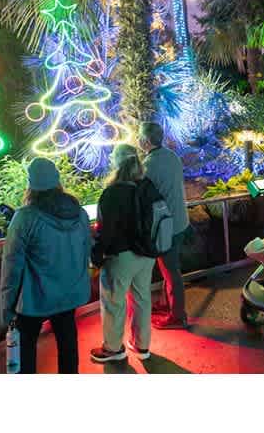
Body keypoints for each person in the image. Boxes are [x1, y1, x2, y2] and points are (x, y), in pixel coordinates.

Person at [0, 158, 92, 374]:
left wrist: (7, 307)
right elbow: (85, 251)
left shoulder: (25, 218)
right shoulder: (79, 213)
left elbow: (11, 265)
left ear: (31, 184)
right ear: (57, 180)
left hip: (35, 299)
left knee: (26, 350)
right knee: (68, 341)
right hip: (69, 294)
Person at [90, 145, 157, 363]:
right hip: (147, 253)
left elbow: (106, 229)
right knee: (142, 299)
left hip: (121, 255)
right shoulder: (147, 186)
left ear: (117, 163)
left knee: (114, 302)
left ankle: (112, 349)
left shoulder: (113, 192)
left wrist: (97, 254)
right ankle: (142, 346)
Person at [138, 122, 190, 329]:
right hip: (180, 221)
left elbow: (143, 195)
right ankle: (166, 304)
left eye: (139, 137)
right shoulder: (172, 156)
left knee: (171, 271)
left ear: (146, 141)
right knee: (169, 267)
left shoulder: (149, 165)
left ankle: (178, 317)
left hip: (166, 226)